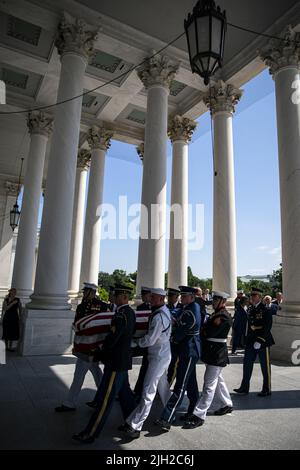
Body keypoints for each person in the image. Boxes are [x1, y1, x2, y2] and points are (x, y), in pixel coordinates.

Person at [72, 284, 137, 444]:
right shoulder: (128, 313)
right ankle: (133, 425)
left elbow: (112, 339)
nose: (112, 297)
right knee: (125, 396)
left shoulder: (122, 315)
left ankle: (90, 433)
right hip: (121, 361)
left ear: (124, 297)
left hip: (115, 363)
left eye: (115, 295)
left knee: (105, 400)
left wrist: (99, 351)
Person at [121, 288, 172, 439]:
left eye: (153, 297)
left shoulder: (159, 317)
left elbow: (150, 340)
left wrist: (135, 343)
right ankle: (171, 414)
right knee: (163, 388)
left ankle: (135, 425)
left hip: (158, 357)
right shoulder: (162, 312)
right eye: (150, 296)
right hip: (160, 354)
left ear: (161, 299)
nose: (150, 299)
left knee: (148, 391)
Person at [55, 283, 108, 412]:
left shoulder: (101, 306)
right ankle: (103, 398)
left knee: (79, 376)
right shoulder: (81, 306)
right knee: (97, 374)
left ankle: (70, 403)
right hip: (84, 347)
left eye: (86, 291)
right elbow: (77, 326)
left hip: (92, 347)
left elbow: (104, 327)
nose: (84, 293)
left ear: (92, 292)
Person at [184, 291, 233, 429]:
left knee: (208, 385)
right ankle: (227, 404)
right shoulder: (216, 314)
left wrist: (204, 329)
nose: (214, 301)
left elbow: (209, 332)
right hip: (212, 352)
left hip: (217, 354)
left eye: (217, 299)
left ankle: (199, 415)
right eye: (214, 299)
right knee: (218, 381)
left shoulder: (223, 316)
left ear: (223, 301)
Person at [155, 286, 201, 431]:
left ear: (192, 297)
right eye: (182, 295)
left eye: (185, 296)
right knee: (191, 384)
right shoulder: (189, 307)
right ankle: (192, 412)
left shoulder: (191, 310)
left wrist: (173, 339)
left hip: (189, 351)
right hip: (188, 351)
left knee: (180, 386)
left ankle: (166, 418)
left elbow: (182, 330)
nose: (182, 298)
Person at [234, 287, 275, 397]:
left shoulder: (266, 309)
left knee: (265, 367)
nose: (252, 297)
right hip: (251, 341)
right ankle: (244, 387)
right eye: (251, 295)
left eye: (254, 295)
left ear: (260, 297)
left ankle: (267, 389)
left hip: (263, 341)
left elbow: (267, 326)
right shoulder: (251, 309)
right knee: (247, 364)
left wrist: (260, 340)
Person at [133, 286, 152, 401]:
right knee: (145, 367)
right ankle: (139, 390)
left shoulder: (156, 308)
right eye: (144, 295)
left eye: (147, 295)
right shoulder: (140, 307)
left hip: (152, 342)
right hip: (145, 340)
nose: (146, 297)